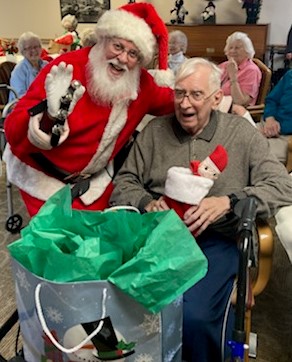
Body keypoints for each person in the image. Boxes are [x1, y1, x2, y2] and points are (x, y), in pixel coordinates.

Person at [109, 57, 292, 361]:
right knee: (122, 302)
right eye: (179, 93)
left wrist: (230, 202)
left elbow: (283, 185)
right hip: (158, 239)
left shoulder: (241, 134)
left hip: (217, 241)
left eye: (196, 95)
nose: (184, 104)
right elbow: (125, 181)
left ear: (217, 98)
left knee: (193, 317)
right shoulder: (155, 132)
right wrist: (146, 203)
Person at [3, 2, 174, 217]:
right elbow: (13, 125)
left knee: (103, 242)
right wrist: (48, 116)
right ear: (103, 40)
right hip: (42, 178)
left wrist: (219, 97)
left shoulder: (143, 85)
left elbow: (176, 101)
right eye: (118, 46)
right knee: (58, 245)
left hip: (93, 185)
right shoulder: (67, 67)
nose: (122, 58)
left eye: (133, 54)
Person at [219, 31, 262, 106]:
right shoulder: (225, 65)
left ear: (247, 51)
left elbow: (240, 102)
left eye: (237, 48)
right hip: (216, 105)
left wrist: (233, 77)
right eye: (230, 47)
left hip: (233, 113)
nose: (232, 51)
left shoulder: (252, 71)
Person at [261, 69, 292, 163]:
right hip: (268, 123)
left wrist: (274, 129)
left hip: (287, 138)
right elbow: (271, 100)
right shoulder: (290, 75)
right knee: (233, 140)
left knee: (251, 154)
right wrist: (270, 119)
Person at [8, 32, 48, 101]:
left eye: (36, 47)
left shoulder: (46, 65)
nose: (34, 50)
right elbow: (20, 97)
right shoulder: (19, 71)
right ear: (22, 51)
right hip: (24, 107)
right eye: (29, 48)